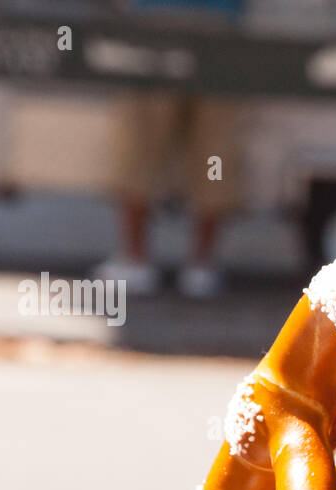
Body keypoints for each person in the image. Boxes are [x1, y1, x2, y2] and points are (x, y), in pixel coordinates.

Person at [95, 0, 243, 297]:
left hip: (156, 19)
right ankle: (202, 265)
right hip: (222, 24)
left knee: (143, 139)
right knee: (213, 148)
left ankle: (136, 259)